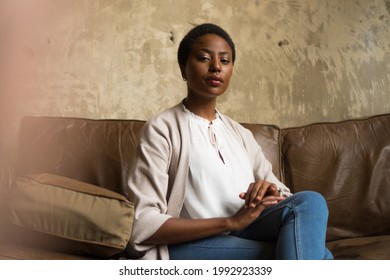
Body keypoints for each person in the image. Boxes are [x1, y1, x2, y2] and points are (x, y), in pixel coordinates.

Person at [127, 23, 333, 260]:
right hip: (190, 245)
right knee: (319, 256)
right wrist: (231, 221)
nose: (216, 67)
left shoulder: (240, 134)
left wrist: (270, 190)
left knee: (310, 202)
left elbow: (283, 195)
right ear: (183, 69)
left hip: (246, 233)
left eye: (225, 61)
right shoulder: (161, 129)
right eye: (204, 58)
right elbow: (142, 222)